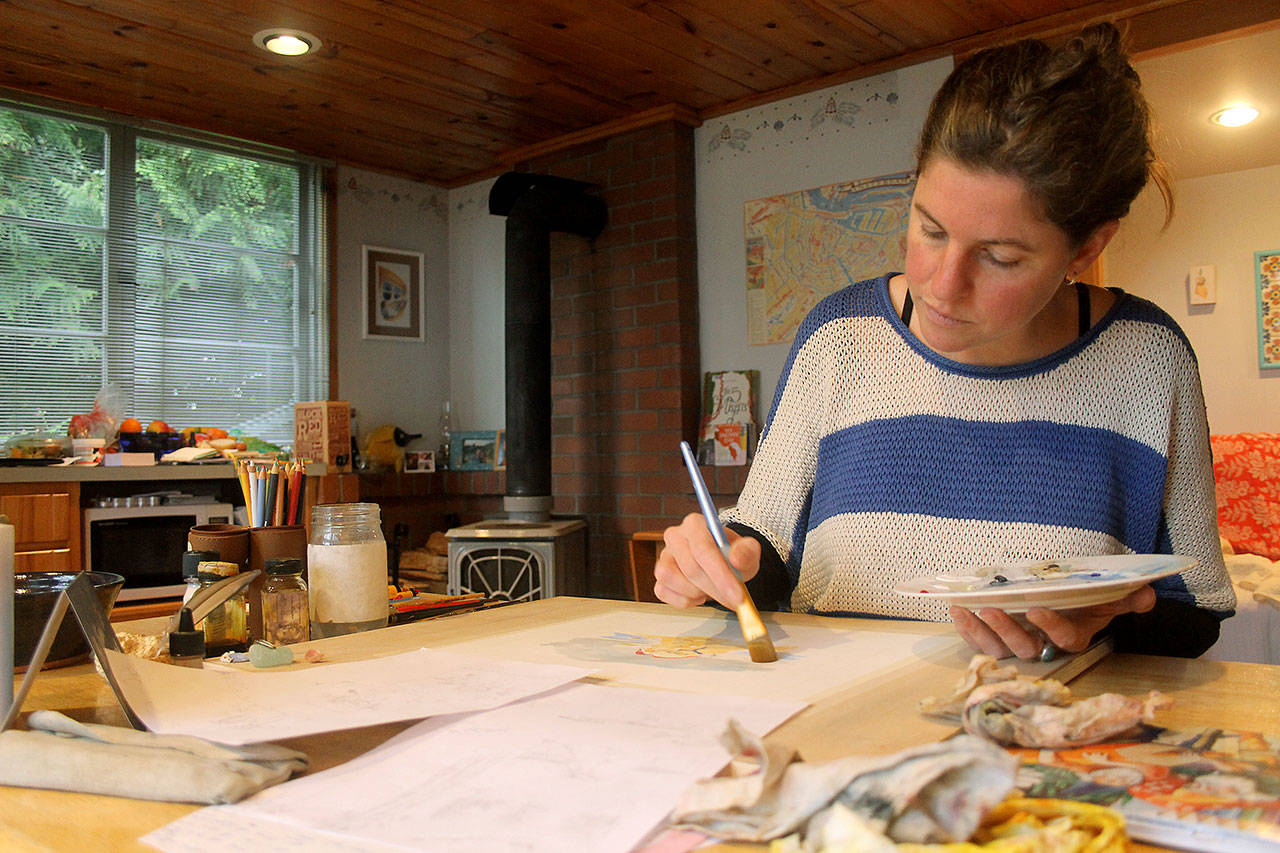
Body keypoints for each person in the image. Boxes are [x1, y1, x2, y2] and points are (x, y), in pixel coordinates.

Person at [654, 23, 1235, 660]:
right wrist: (714, 563)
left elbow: (1195, 609)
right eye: (929, 229)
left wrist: (1104, 626)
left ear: (1089, 247)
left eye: (1001, 258)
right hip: (840, 728)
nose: (941, 286)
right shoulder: (839, 337)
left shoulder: (1150, 359)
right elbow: (763, 555)